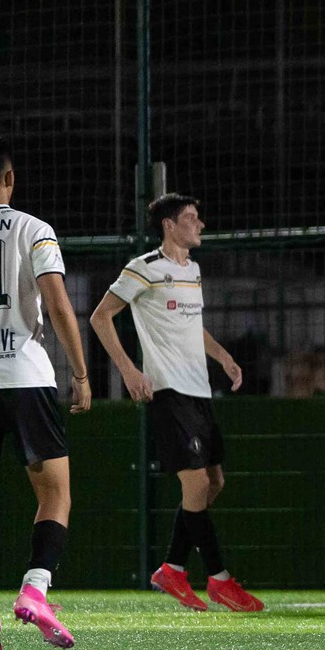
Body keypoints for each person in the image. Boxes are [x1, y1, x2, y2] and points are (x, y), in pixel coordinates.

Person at [91, 193, 262, 613]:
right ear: (169, 225)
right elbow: (100, 316)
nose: (200, 224)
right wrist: (129, 371)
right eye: (191, 218)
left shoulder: (193, 270)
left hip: (199, 390)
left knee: (214, 483)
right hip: (168, 391)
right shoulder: (144, 268)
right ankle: (220, 579)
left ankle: (172, 568)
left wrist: (222, 356)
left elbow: (192, 326)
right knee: (198, 485)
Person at [0, 130, 90, 650]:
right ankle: (35, 590)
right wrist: (81, 373)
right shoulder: (34, 229)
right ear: (9, 177)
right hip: (26, 375)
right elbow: (57, 305)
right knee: (55, 493)